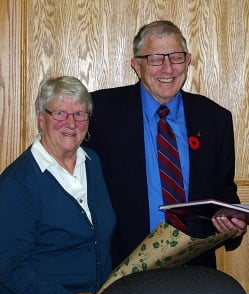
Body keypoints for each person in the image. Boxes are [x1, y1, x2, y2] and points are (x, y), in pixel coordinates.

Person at [84, 20, 247, 268]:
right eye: (155, 59)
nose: (168, 68)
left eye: (176, 57)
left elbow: (223, 191)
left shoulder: (215, 119)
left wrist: (232, 224)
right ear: (136, 65)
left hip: (194, 269)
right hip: (123, 267)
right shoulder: (100, 113)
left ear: (188, 61)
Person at [0, 76, 116, 294]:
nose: (71, 123)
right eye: (60, 113)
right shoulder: (17, 183)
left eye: (80, 114)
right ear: (41, 119)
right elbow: (8, 265)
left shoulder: (93, 163)